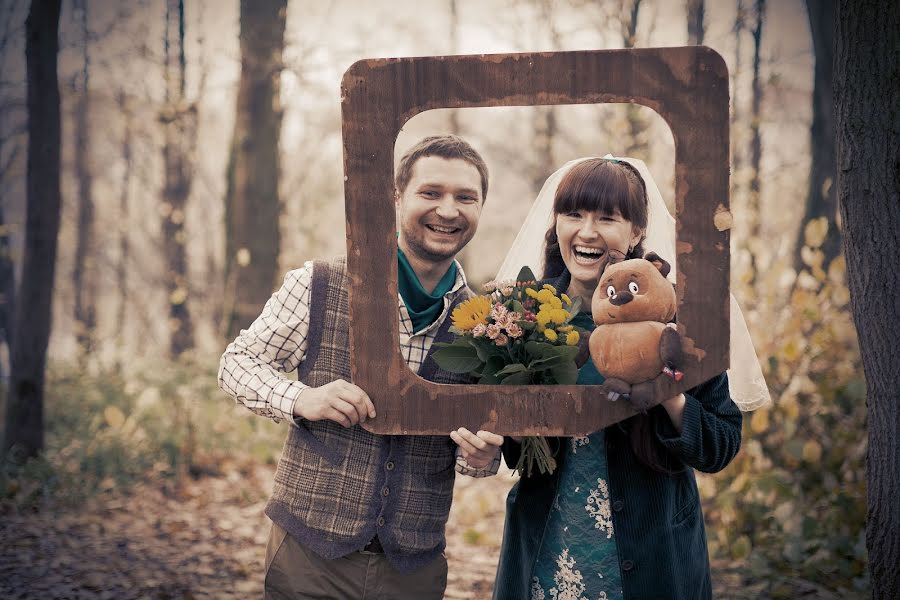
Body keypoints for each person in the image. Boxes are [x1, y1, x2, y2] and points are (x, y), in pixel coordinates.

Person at [218, 135, 504, 600]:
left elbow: (477, 455)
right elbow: (237, 363)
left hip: (413, 566)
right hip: (310, 556)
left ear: (481, 207)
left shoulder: (487, 325)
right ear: (397, 198)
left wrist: (482, 459)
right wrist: (302, 398)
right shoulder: (320, 282)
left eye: (465, 197)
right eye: (431, 193)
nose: (448, 211)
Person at [492, 157, 748, 600]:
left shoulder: (678, 323)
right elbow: (515, 452)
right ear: (557, 224)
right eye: (574, 214)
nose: (587, 232)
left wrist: (669, 394)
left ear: (635, 233)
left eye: (607, 218)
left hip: (651, 555)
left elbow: (720, 446)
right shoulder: (524, 315)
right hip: (549, 554)